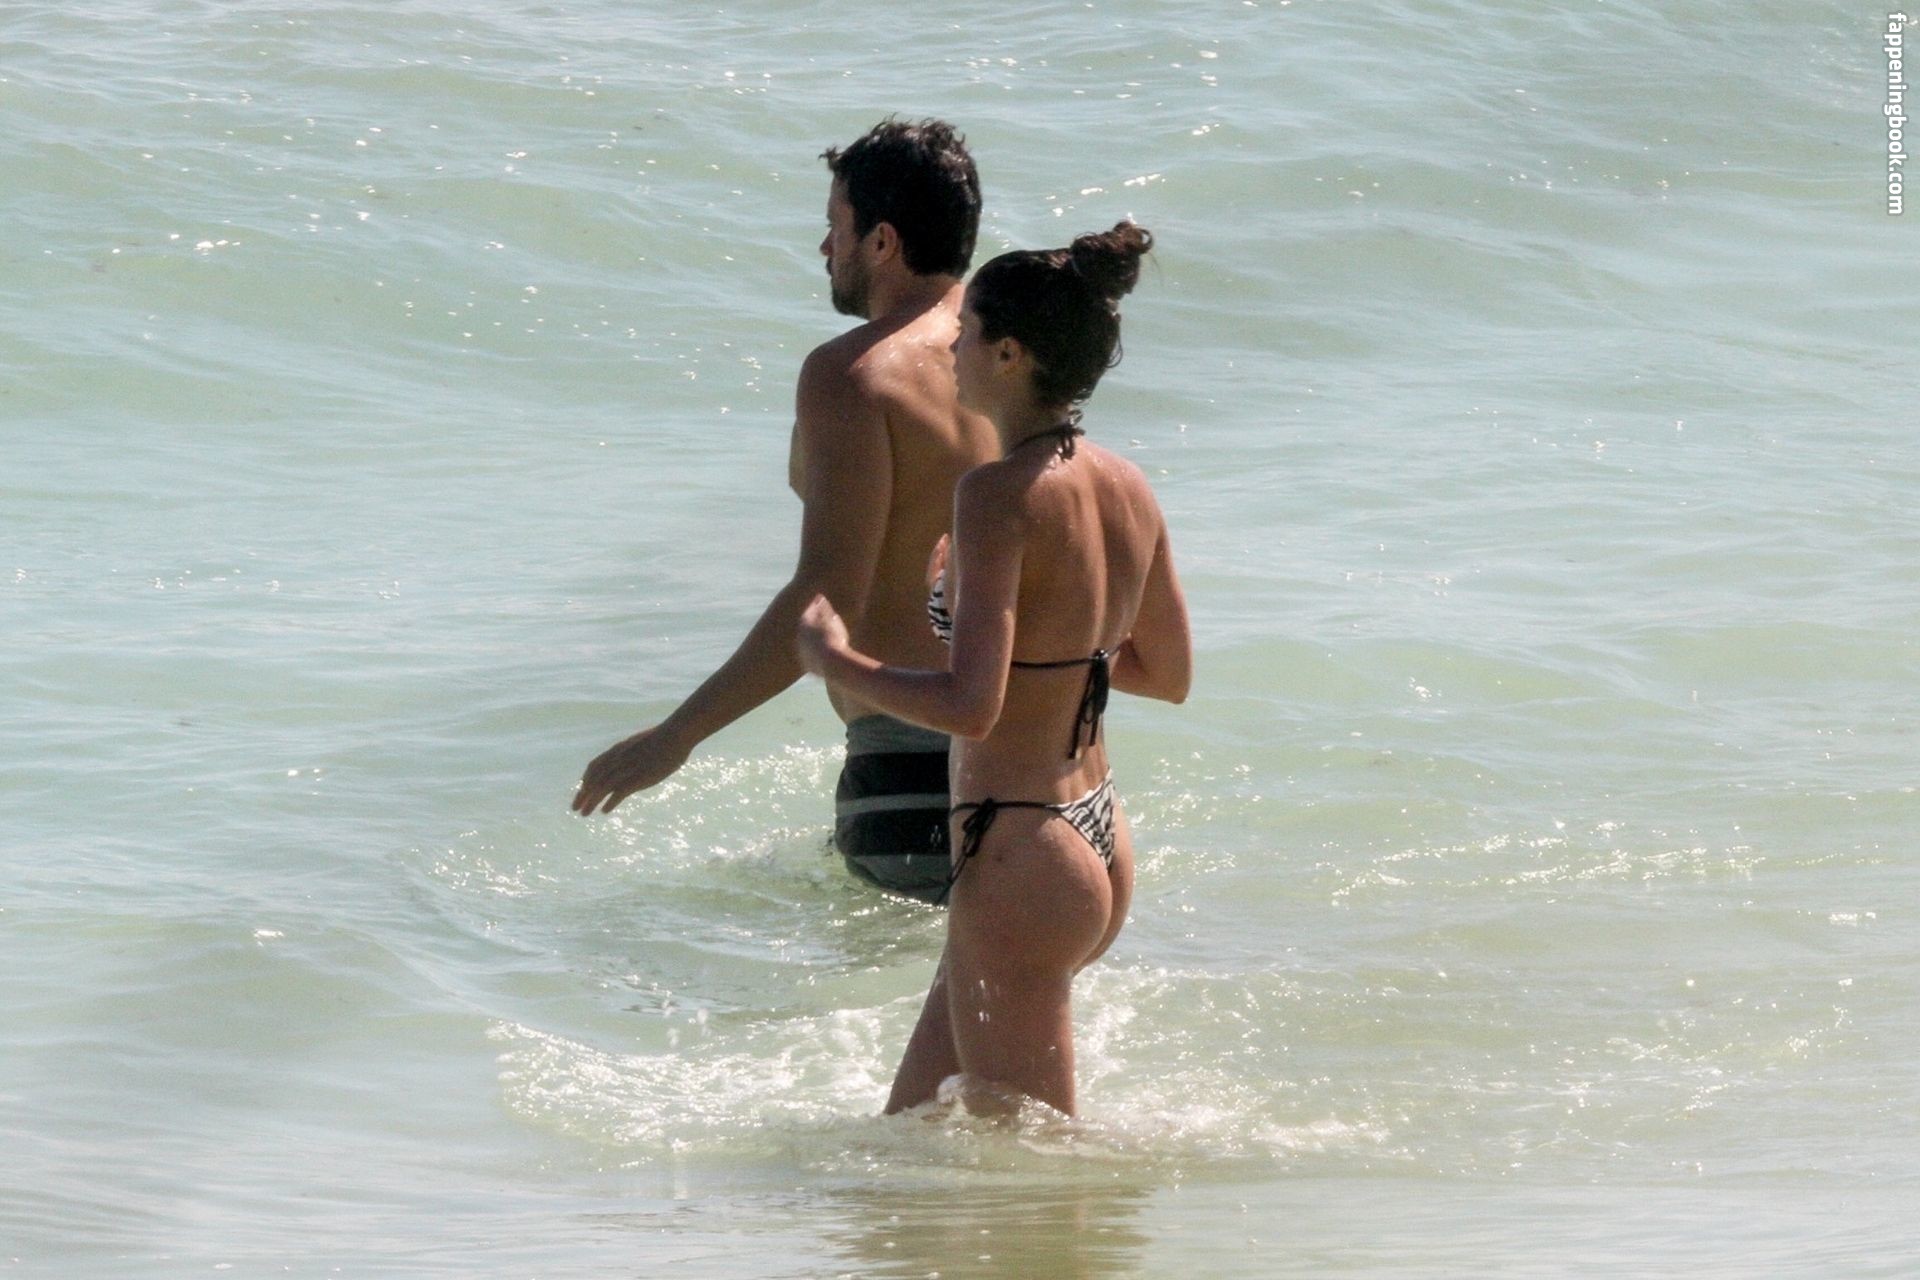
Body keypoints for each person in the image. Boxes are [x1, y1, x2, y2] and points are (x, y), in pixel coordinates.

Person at [795, 222, 1192, 1117]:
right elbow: (1164, 672)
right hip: (1094, 831)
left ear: (1009, 354)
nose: (951, 350)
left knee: (1034, 1161)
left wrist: (837, 658)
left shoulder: (995, 496)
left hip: (1019, 847)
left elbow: (973, 707)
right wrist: (1038, 652)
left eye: (966, 332)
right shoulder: (1126, 484)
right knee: (911, 1133)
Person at [572, 119, 1000, 904]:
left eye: (837, 226)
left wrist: (676, 737)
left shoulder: (856, 375)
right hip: (1037, 760)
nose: (825, 248)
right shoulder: (1012, 355)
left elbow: (829, 596)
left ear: (882, 241)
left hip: (908, 777)